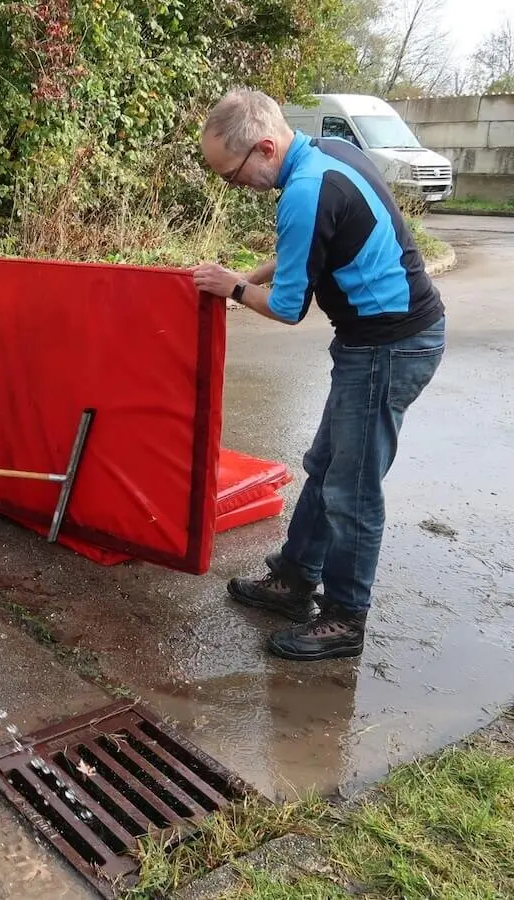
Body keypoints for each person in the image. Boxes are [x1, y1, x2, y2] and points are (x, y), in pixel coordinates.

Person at [193, 89, 446, 662]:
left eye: (233, 176)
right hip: (379, 341)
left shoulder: (304, 191)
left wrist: (234, 288)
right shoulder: (325, 153)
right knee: (328, 466)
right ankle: (294, 579)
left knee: (351, 489)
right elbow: (302, 249)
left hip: (391, 347)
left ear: (263, 148)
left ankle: (344, 617)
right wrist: (242, 275)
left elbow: (287, 306)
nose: (236, 187)